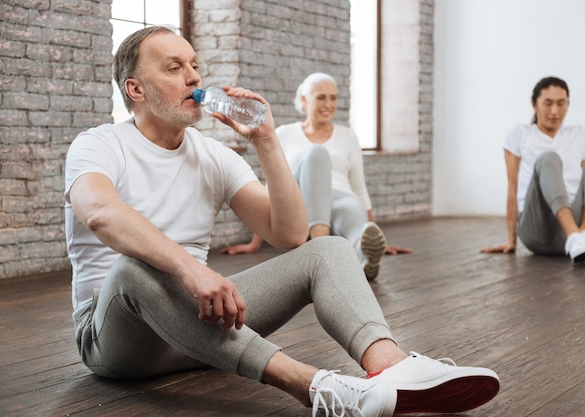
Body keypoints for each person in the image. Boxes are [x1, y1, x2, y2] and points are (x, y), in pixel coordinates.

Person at [65, 26, 499, 417]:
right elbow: (102, 213)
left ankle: (390, 365)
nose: (195, 77)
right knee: (133, 268)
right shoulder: (98, 145)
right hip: (118, 339)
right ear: (136, 89)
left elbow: (290, 234)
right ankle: (317, 387)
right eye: (175, 67)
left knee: (327, 249)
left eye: (195, 65)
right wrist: (190, 268)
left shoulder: (212, 155)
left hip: (199, 333)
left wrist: (267, 141)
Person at [220, 73, 412, 280]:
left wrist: (375, 230)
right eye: (321, 97)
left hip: (341, 198)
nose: (328, 104)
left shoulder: (347, 136)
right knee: (317, 154)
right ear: (304, 99)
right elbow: (272, 187)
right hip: (302, 202)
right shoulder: (283, 133)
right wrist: (255, 242)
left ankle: (364, 257)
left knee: (357, 227)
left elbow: (359, 188)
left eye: (333, 97)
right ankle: (322, 248)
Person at [481, 76, 585, 262]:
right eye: (547, 103)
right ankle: (575, 236)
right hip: (537, 230)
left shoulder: (580, 133)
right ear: (534, 104)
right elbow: (512, 189)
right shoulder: (520, 133)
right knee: (548, 158)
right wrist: (511, 241)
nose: (555, 111)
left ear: (568, 104)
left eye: (561, 103)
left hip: (577, 223)